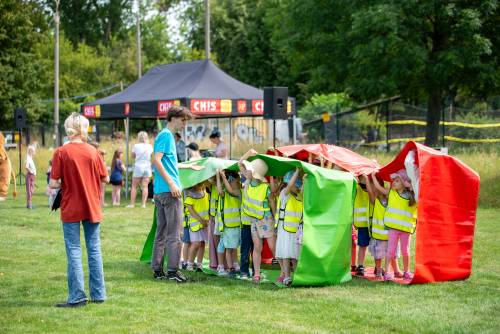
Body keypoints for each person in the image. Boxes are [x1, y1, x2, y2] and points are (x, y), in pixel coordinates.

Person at [49, 113, 108, 308]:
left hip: (70, 207)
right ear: (84, 128)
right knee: (94, 250)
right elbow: (105, 178)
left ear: (68, 128)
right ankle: (98, 294)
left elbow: (53, 182)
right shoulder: (93, 151)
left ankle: (77, 297)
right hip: (92, 205)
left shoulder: (60, 152)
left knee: (74, 250)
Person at [151, 105, 201, 282]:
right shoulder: (166, 136)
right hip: (169, 192)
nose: (184, 124)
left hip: (160, 191)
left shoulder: (165, 136)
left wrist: (188, 166)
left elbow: (168, 163)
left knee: (162, 232)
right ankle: (173, 271)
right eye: (183, 120)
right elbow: (156, 160)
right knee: (175, 234)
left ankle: (158, 270)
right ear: (173, 118)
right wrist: (172, 183)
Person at [238, 149, 276, 282]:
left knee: (273, 246)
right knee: (257, 247)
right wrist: (247, 153)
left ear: (254, 173)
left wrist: (275, 217)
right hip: (254, 220)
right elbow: (240, 163)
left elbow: (272, 202)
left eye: (250, 169)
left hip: (266, 220)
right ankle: (257, 274)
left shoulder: (265, 188)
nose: (246, 170)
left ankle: (284, 271)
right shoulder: (248, 181)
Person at [372, 169, 417, 281]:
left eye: (397, 181)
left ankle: (407, 272)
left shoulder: (412, 195)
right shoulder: (391, 193)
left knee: (405, 251)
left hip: (405, 229)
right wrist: (373, 177)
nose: (393, 183)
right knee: (390, 251)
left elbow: (418, 189)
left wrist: (410, 184)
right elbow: (378, 188)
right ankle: (387, 273)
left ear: (404, 182)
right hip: (393, 229)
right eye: (394, 181)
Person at [364, 174, 401, 278]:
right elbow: (370, 192)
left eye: (376, 186)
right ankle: (379, 271)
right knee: (378, 254)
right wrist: (367, 180)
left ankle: (393, 271)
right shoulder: (374, 200)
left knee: (391, 254)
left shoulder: (391, 198)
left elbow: (391, 188)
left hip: (390, 234)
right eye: (373, 187)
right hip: (378, 235)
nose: (375, 189)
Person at [275, 169, 303, 286]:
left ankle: (296, 276)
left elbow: (303, 190)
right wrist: (297, 171)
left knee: (295, 255)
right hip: (284, 229)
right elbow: (290, 185)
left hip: (296, 231)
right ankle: (287, 276)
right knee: (286, 254)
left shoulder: (300, 196)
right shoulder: (284, 193)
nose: (296, 187)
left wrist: (305, 180)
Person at [216, 169, 242, 277]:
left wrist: (223, 177)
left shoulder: (238, 192)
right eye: (236, 181)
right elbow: (219, 191)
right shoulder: (226, 192)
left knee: (232, 247)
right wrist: (219, 176)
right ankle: (229, 268)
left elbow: (231, 191)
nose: (238, 183)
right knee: (226, 247)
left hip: (234, 226)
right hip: (227, 226)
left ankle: (232, 266)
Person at [184, 181, 210, 271]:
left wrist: (205, 221)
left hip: (205, 224)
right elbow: (191, 211)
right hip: (195, 224)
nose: (200, 185)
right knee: (196, 244)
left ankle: (199, 264)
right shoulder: (190, 195)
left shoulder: (206, 193)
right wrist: (201, 220)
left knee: (202, 243)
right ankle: (190, 264)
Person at [127, 131, 153, 208]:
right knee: (145, 186)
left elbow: (132, 156)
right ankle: (143, 204)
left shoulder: (136, 146)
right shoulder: (150, 146)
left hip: (138, 166)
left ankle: (132, 204)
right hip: (147, 166)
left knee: (134, 186)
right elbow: (152, 156)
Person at [353, 176, 371, 276]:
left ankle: (378, 267)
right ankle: (360, 266)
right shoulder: (356, 187)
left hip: (374, 223)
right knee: (362, 245)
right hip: (363, 223)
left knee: (378, 246)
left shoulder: (372, 187)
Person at [25, 145, 36, 209]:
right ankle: (29, 204)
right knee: (29, 190)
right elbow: (26, 166)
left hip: (32, 176)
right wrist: (31, 172)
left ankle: (29, 204)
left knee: (31, 190)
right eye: (33, 151)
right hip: (29, 176)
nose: (34, 152)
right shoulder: (28, 158)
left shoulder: (30, 158)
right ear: (30, 151)